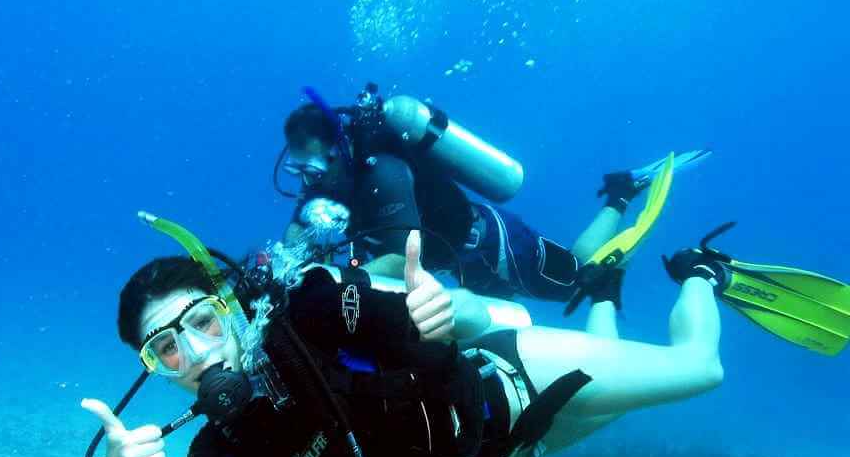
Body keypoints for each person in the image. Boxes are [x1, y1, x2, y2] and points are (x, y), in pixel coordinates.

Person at [81, 213, 850, 457]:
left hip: (515, 375)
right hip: (506, 453)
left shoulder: (311, 311)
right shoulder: (226, 437)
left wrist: (458, 307)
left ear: (232, 306)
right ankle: (606, 282)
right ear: (150, 368)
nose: (195, 355)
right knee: (614, 386)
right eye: (165, 349)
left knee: (697, 372)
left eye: (202, 323)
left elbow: (453, 317)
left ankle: (701, 272)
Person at [277, 85, 711, 304]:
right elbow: (294, 244)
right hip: (457, 268)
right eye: (298, 170)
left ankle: (621, 193)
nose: (307, 181)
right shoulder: (325, 188)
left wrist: (335, 285)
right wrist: (276, 276)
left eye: (312, 167)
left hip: (496, 244)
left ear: (338, 151)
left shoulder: (382, 172)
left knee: (577, 281)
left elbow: (398, 254)